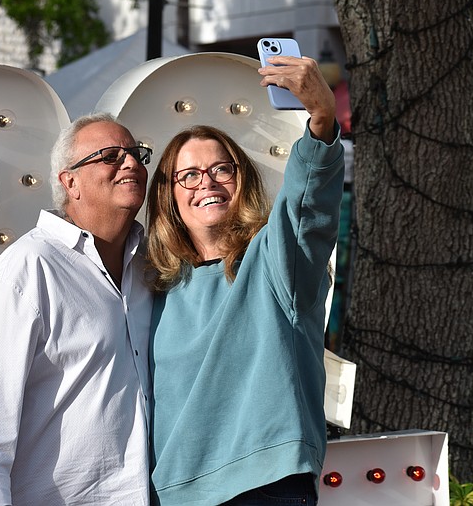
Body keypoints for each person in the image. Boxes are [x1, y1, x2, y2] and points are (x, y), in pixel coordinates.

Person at [145, 55, 344, 505]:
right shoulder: (156, 285)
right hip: (173, 493)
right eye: (189, 175)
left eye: (222, 169)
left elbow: (308, 209)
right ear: (169, 196)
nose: (207, 183)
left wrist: (322, 120)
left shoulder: (276, 260)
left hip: (264, 486)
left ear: (241, 180)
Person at [0, 113, 154, 505]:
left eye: (136, 154)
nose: (130, 164)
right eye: (110, 155)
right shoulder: (26, 270)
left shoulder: (148, 268)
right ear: (69, 181)